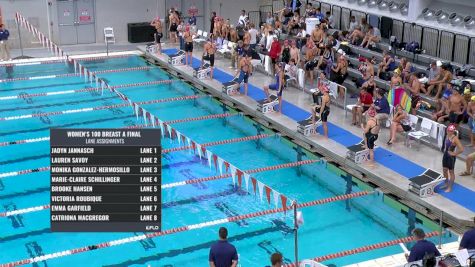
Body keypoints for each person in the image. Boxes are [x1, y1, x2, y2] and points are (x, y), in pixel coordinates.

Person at [441, 124, 463, 192]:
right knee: (444, 170)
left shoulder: (455, 138)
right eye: (447, 130)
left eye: (450, 131)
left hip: (451, 157)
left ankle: (450, 188)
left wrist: (455, 153)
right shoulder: (447, 135)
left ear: (453, 131)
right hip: (445, 155)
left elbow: (461, 149)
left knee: (451, 172)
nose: (448, 132)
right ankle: (446, 183)